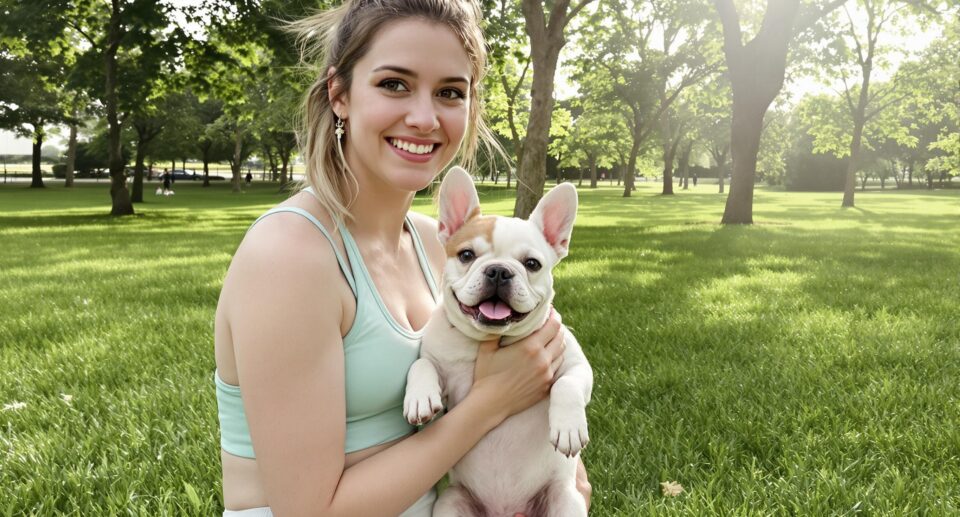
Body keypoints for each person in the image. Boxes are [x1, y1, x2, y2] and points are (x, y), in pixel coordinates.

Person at [212, 1, 591, 516]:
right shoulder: (290, 256)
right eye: (394, 84)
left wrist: (562, 475)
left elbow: (536, 377)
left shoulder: (443, 244)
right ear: (339, 94)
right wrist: (490, 404)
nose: (423, 117)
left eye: (450, 92)